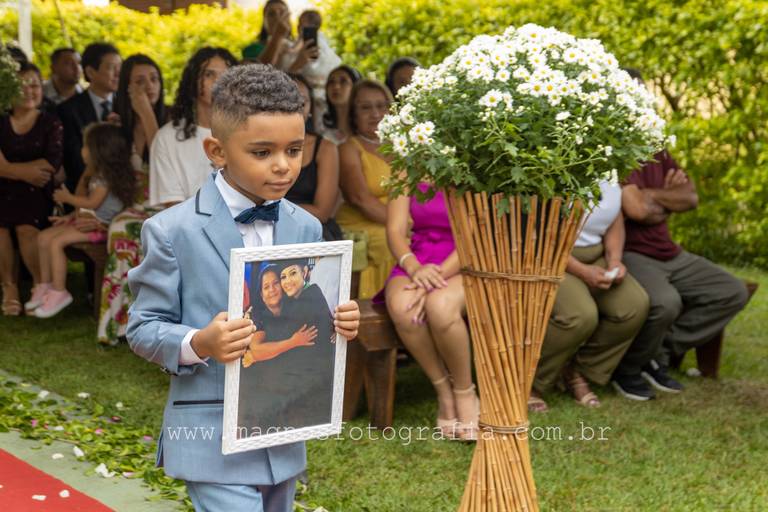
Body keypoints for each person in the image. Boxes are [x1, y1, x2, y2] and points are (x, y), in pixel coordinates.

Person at [127, 64, 360, 512]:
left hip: (283, 429)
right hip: (211, 435)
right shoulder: (171, 231)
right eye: (262, 152)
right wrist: (199, 342)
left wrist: (339, 321)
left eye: (294, 150)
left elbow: (305, 316)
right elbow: (142, 328)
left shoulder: (307, 227)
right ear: (217, 151)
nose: (283, 165)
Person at [612, 148, 750, 400]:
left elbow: (690, 198)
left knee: (732, 292)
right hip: (633, 252)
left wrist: (650, 194)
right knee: (667, 302)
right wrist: (667, 198)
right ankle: (628, 369)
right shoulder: (622, 151)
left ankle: (656, 354)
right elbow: (637, 210)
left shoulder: (659, 151)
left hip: (671, 253)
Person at [530, 179, 650, 412]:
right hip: (552, 258)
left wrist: (614, 260)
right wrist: (583, 272)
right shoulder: (558, 172)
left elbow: (614, 218)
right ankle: (531, 381)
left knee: (634, 305)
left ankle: (577, 371)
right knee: (580, 316)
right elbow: (544, 235)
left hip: (595, 254)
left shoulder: (612, 169)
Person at [380, 183, 478, 440]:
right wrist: (414, 268)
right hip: (420, 258)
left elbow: (472, 235)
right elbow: (395, 230)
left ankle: (465, 391)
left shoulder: (474, 169)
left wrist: (433, 280)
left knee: (440, 307)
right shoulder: (406, 171)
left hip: (465, 260)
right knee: (403, 307)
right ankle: (443, 390)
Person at [97, 54, 167, 345]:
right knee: (121, 227)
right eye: (139, 81)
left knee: (139, 229)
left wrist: (148, 115)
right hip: (135, 206)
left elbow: (164, 163)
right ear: (126, 88)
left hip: (168, 203)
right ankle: (120, 323)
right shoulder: (119, 127)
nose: (149, 85)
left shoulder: (173, 121)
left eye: (154, 79)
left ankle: (148, 318)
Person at [31, 123, 135, 318]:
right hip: (90, 219)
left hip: (99, 227)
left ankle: (59, 292)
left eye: (86, 146)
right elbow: (88, 206)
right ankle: (44, 285)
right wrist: (68, 217)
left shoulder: (104, 178)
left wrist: (67, 198)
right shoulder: (97, 174)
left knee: (56, 243)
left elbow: (92, 203)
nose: (82, 150)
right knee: (43, 237)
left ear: (99, 150)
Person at [0, 63, 62, 316]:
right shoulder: (1, 121)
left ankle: (40, 286)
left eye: (34, 84)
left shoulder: (50, 122)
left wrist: (7, 168)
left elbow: (50, 165)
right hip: (4, 189)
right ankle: (9, 288)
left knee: (26, 226)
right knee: (0, 228)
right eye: (22, 85)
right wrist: (25, 172)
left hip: (37, 191)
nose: (29, 90)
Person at [149, 47, 237, 208]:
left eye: (226, 75)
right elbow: (173, 207)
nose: (219, 81)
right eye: (209, 74)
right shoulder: (167, 137)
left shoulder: (249, 133)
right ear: (192, 81)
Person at [336, 80, 396, 299]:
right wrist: (405, 225)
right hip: (365, 222)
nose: (376, 114)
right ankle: (385, 305)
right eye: (365, 108)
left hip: (400, 220)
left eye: (381, 106)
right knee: (390, 242)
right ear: (353, 115)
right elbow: (360, 199)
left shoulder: (405, 145)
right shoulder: (348, 149)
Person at [57, 43, 121, 193]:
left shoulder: (128, 106)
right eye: (112, 67)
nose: (118, 73)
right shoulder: (67, 110)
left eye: (120, 67)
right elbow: (73, 160)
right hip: (84, 191)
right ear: (91, 72)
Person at [286, 75, 343, 240]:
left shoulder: (325, 148)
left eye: (303, 102)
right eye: (288, 100)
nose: (296, 107)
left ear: (311, 108)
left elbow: (322, 212)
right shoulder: (257, 145)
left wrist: (270, 212)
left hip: (312, 231)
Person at [321, 65, 360, 145]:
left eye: (343, 81)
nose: (336, 87)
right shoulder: (323, 135)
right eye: (331, 82)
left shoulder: (369, 132)